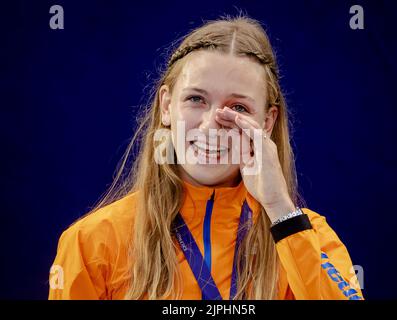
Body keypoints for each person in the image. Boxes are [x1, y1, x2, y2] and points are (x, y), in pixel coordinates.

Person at [48, 16, 364, 300]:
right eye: (196, 99)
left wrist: (279, 209)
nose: (212, 122)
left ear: (266, 122)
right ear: (167, 106)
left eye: (238, 108)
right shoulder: (92, 242)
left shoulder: (308, 235)